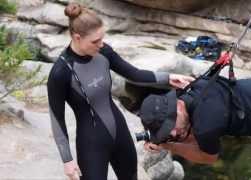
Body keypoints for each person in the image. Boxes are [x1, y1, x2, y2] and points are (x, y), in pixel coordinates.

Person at [47, 2, 194, 180]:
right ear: (77, 38)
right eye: (95, 41)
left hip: (120, 132)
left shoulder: (103, 52)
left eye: (102, 38)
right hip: (91, 144)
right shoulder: (60, 72)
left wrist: (168, 78)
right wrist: (67, 160)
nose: (101, 44)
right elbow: (57, 119)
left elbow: (133, 74)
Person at [140, 68, 251, 165]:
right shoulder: (192, 88)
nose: (173, 131)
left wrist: (167, 145)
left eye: (171, 123)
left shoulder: (206, 126)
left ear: (178, 105)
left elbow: (208, 157)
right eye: (166, 129)